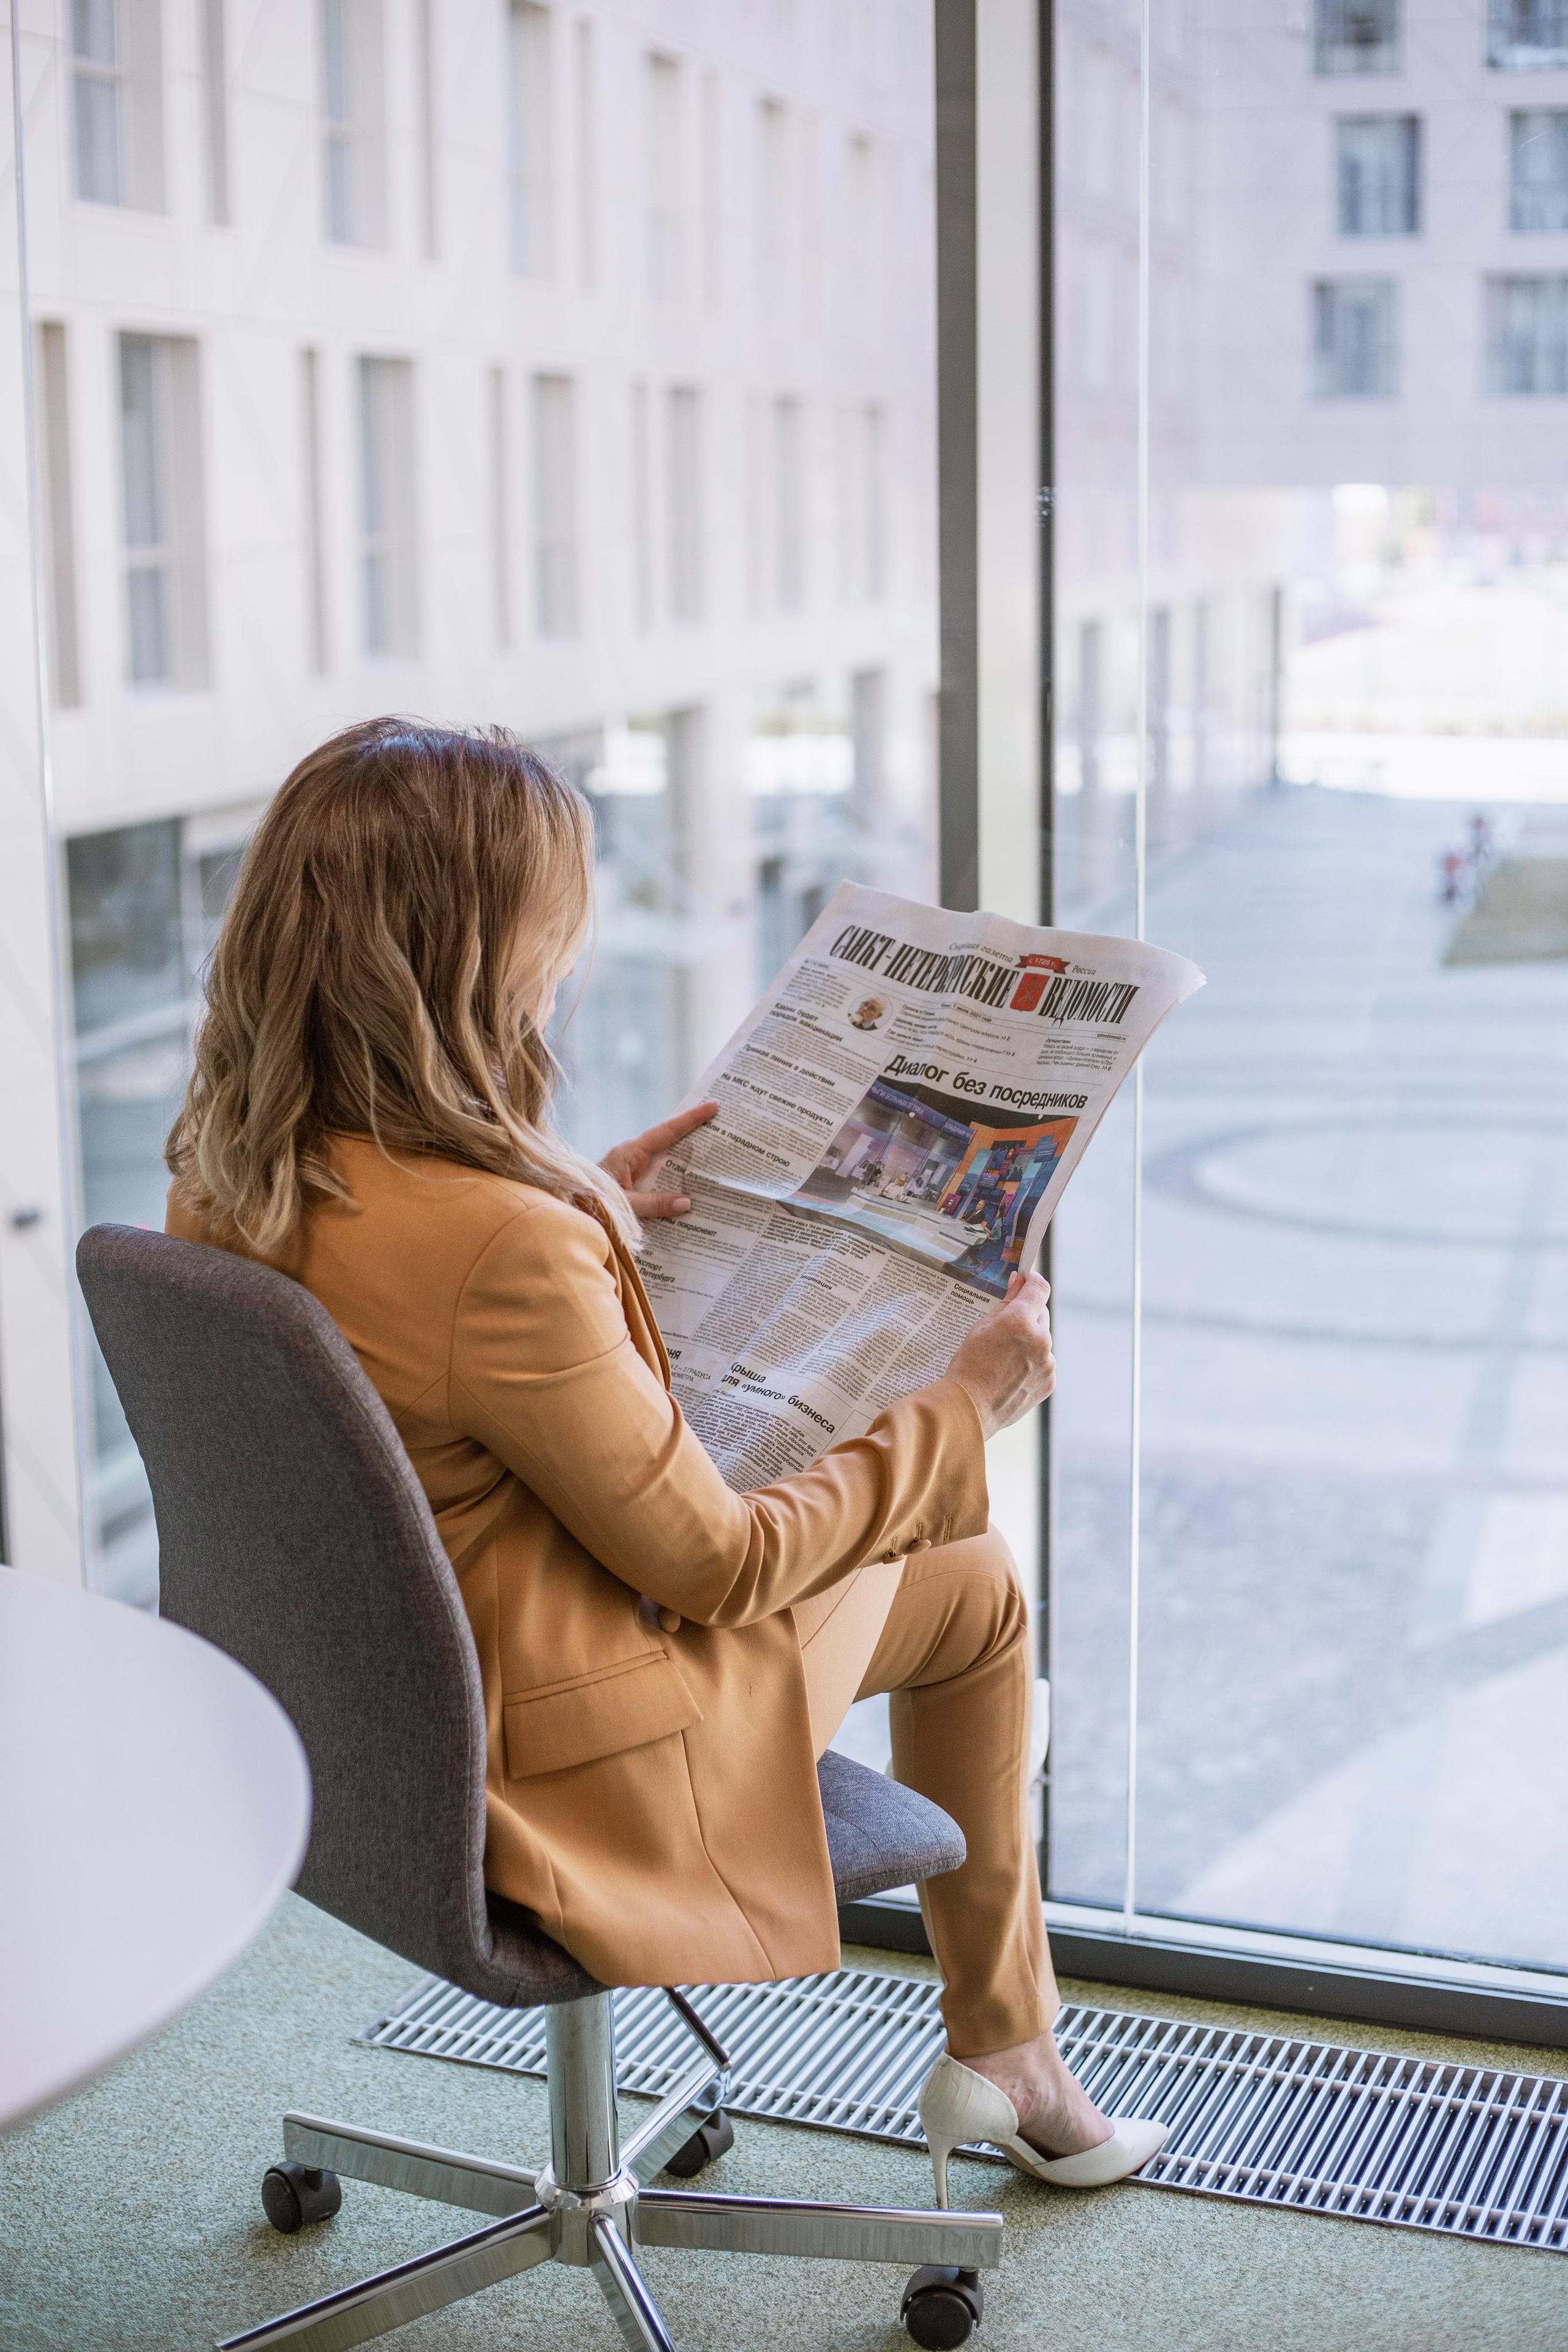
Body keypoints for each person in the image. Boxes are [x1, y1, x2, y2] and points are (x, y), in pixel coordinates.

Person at [164, 718, 1164, 2201]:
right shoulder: (501, 1245)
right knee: (967, 1576)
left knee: (942, 1562)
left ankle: (1008, 2053)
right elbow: (719, 1567)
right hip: (553, 1769)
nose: (568, 948)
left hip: (363, 1724)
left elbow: (431, 1348)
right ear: (469, 946)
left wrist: (589, 1207)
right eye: (550, 916)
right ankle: (1009, 2057)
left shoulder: (232, 1166)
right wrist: (962, 1405)